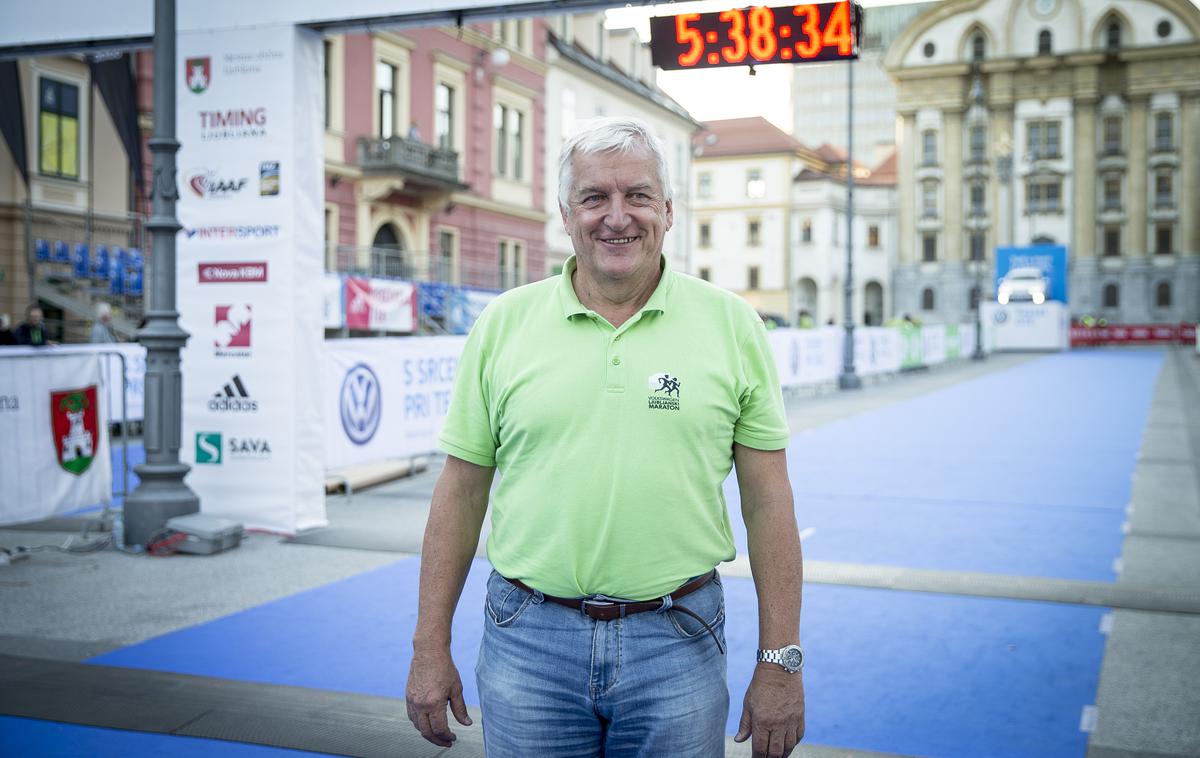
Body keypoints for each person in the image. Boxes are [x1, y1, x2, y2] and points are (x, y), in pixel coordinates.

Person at [406, 117, 805, 758]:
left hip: (678, 640)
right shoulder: (504, 325)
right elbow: (459, 493)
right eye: (594, 198)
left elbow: (769, 502)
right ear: (566, 215)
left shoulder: (733, 326)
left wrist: (780, 658)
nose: (617, 216)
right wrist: (429, 646)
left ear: (668, 211)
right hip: (526, 641)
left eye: (637, 196)